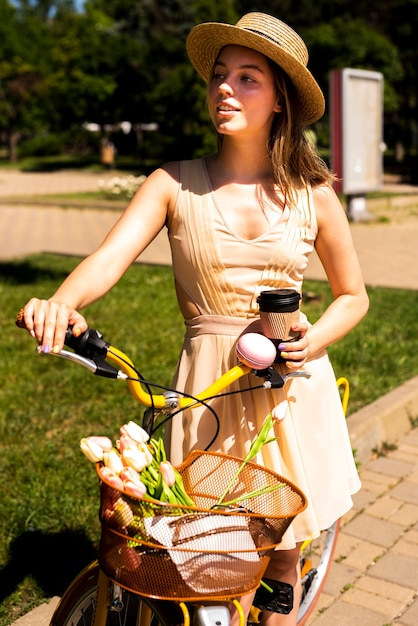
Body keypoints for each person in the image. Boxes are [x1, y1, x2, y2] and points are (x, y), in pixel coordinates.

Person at [19, 12, 369, 626]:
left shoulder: (313, 192)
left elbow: (354, 295)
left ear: (281, 99)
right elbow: (107, 260)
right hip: (206, 391)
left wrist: (309, 344)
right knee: (192, 562)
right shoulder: (173, 184)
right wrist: (62, 303)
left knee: (281, 560)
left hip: (289, 388)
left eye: (247, 77)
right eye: (218, 76)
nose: (225, 89)